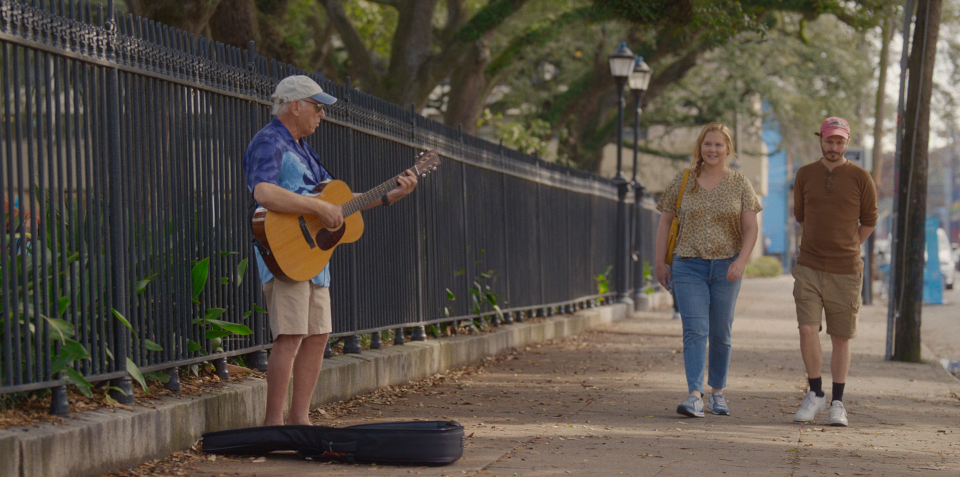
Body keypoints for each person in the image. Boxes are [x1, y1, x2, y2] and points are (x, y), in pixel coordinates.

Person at [243, 75, 418, 426]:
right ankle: (273, 424)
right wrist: (318, 209)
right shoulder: (269, 141)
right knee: (290, 335)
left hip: (316, 256)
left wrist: (386, 195)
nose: (322, 115)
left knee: (319, 334)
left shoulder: (304, 148)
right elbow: (263, 192)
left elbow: (335, 204)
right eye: (317, 107)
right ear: (295, 105)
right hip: (285, 252)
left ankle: (299, 420)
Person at [655, 122, 761, 418]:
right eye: (707, 144)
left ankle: (717, 392)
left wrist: (741, 261)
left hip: (726, 267)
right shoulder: (683, 180)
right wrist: (660, 261)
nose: (712, 149)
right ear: (699, 147)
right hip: (688, 264)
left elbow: (751, 227)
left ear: (728, 149)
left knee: (720, 332)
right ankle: (694, 395)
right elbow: (665, 221)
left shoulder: (740, 183)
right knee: (694, 330)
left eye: (718, 144)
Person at [792, 117, 877, 427]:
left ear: (847, 142)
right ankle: (815, 393)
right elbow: (801, 215)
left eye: (840, 142)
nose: (834, 147)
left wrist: (849, 245)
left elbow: (869, 219)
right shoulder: (804, 175)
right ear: (821, 140)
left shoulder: (860, 177)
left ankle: (838, 402)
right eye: (829, 141)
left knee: (841, 337)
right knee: (806, 329)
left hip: (846, 269)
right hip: (809, 265)